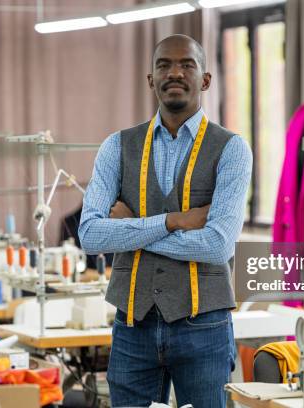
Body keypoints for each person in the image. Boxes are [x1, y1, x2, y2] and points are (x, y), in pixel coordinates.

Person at [78, 34, 252, 408]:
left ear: (205, 79)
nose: (175, 72)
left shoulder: (232, 149)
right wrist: (173, 221)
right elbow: (90, 235)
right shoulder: (116, 146)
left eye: (187, 64)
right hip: (132, 325)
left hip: (204, 325)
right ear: (150, 79)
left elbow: (217, 244)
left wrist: (131, 228)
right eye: (164, 65)